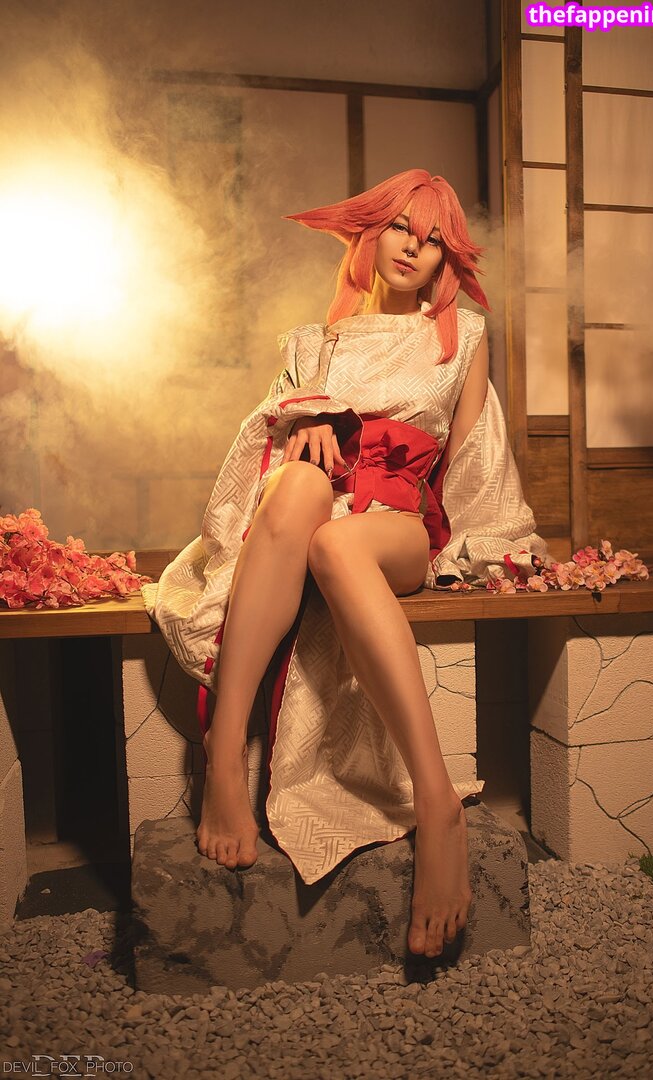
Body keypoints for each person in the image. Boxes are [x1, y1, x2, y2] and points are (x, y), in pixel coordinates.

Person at [145, 169, 547, 960]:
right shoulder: (311, 344)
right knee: (301, 490)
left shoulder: (464, 337)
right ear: (369, 232)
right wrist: (302, 424)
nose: (414, 247)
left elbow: (475, 457)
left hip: (395, 526)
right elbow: (259, 455)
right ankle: (224, 757)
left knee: (340, 542)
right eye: (400, 227)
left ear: (446, 260)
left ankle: (437, 803)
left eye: (433, 240)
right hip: (311, 511)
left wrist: (490, 550)